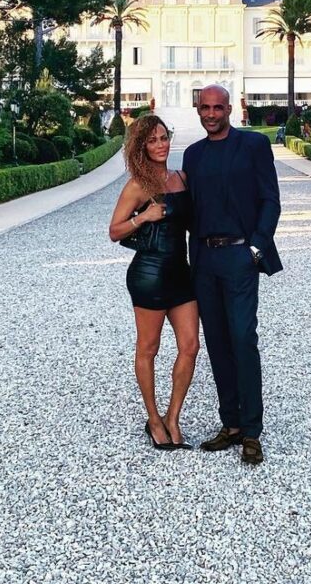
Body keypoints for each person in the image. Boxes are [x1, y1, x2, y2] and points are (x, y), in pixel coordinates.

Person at [182, 85, 282, 466]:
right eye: (204, 107)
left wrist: (255, 248)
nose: (210, 113)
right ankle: (231, 424)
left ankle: (252, 431)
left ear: (230, 109)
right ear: (198, 110)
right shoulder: (193, 155)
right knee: (218, 343)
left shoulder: (254, 146)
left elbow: (270, 199)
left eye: (217, 107)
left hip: (241, 256)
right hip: (205, 260)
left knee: (243, 338)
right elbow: (188, 210)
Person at [108, 115, 200, 451]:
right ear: (141, 146)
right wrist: (143, 216)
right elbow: (114, 231)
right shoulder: (137, 185)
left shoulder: (181, 178)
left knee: (190, 347)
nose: (160, 145)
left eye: (163, 138)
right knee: (149, 348)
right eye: (152, 140)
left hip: (181, 271)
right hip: (148, 273)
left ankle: (173, 416)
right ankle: (153, 418)